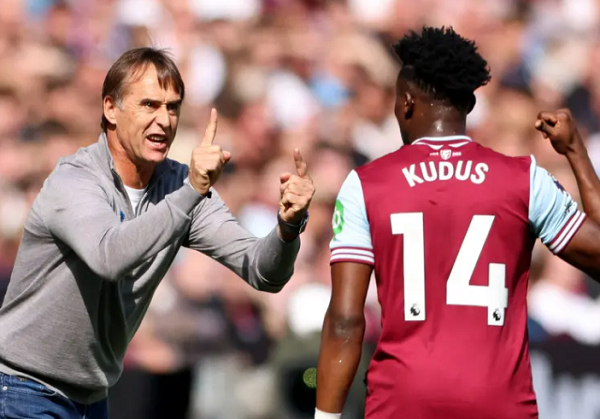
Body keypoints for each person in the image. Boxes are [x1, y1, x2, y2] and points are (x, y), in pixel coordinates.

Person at [0, 47, 314, 419]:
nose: (164, 120)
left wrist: (288, 226)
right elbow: (109, 256)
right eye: (149, 105)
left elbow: (263, 272)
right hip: (24, 389)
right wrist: (191, 192)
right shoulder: (76, 179)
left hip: (92, 397)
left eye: (172, 106)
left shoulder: (179, 185)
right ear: (110, 109)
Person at [315, 26, 600, 419]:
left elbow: (346, 319)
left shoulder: (365, 184)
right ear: (466, 105)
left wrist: (325, 416)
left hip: (402, 401)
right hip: (499, 404)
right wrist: (575, 154)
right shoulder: (524, 179)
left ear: (407, 103)